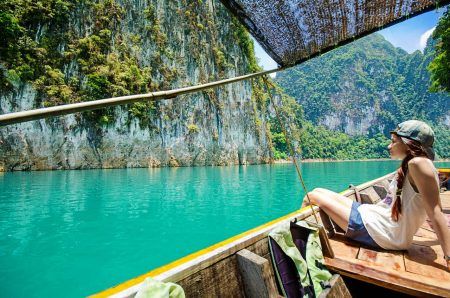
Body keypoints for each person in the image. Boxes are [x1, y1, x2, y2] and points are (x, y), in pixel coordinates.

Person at [302, 120, 450, 271]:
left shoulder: (418, 164)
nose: (389, 146)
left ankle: (302, 251)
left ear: (408, 144)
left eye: (393, 142)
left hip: (384, 233)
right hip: (377, 219)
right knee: (318, 191)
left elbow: (435, 211)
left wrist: (448, 256)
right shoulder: (413, 162)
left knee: (311, 197)